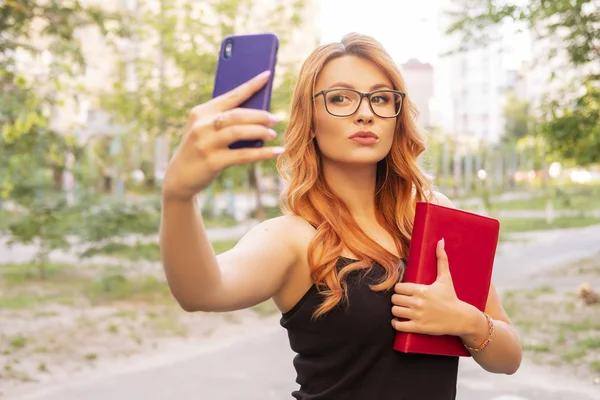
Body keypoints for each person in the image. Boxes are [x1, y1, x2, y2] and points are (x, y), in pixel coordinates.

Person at [159, 33, 522, 400]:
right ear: (311, 122)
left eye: (380, 98)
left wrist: (467, 322)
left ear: (396, 118)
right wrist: (178, 196)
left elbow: (508, 358)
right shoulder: (292, 238)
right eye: (340, 99)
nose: (365, 112)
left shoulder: (434, 215)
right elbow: (200, 292)